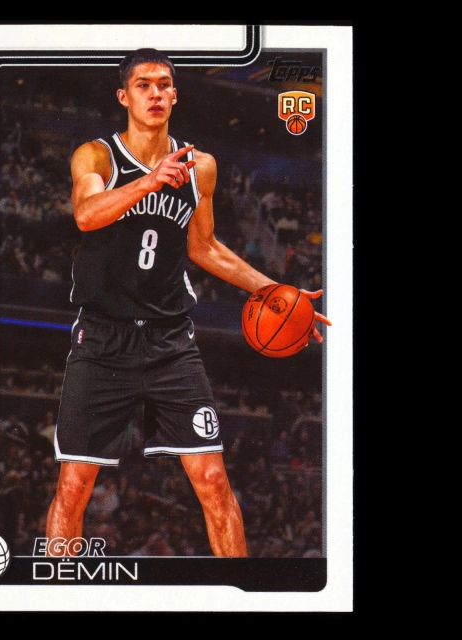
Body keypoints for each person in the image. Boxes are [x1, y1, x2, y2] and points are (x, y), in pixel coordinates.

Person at [44, 48, 330, 557]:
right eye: (143, 85)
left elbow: (205, 247)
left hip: (170, 341)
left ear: (175, 95)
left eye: (163, 84)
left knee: (215, 482)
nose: (155, 93)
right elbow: (86, 214)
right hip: (103, 338)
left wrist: (277, 294)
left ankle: (239, 589)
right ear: (124, 96)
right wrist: (149, 180)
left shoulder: (201, 167)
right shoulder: (97, 156)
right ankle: (58, 586)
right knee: (74, 485)